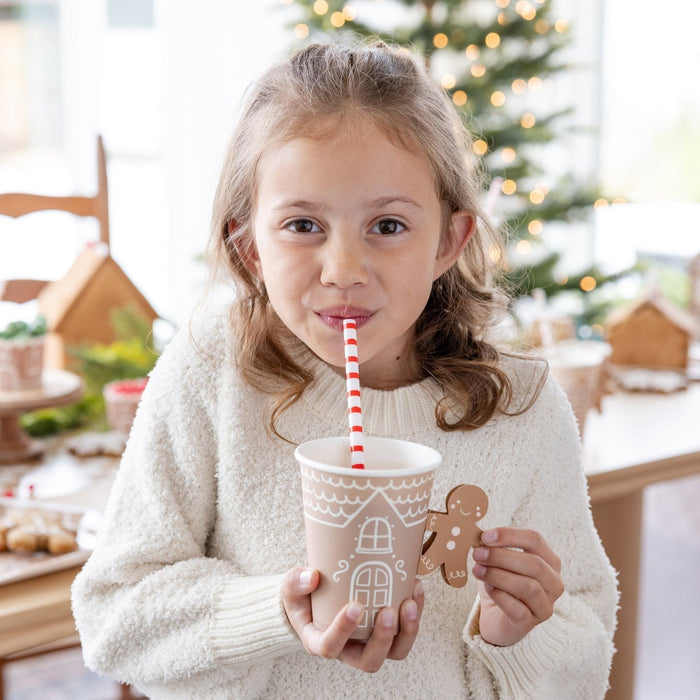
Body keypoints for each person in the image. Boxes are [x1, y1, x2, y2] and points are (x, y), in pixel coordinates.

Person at [72, 41, 618, 699]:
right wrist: (274, 611)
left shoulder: (521, 409)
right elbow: (113, 615)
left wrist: (517, 636)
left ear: (449, 240)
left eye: (387, 225)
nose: (343, 271)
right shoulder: (212, 371)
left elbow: (587, 661)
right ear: (250, 249)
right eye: (303, 224)